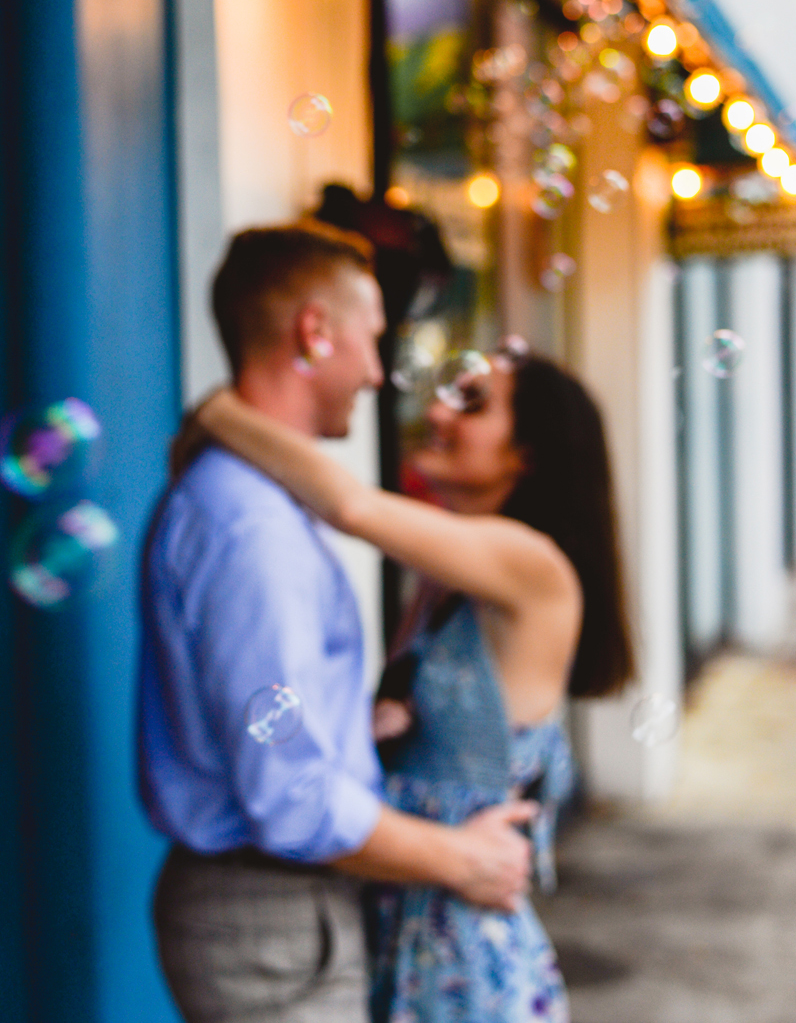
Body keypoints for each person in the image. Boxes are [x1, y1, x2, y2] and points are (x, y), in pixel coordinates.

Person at [140, 222, 538, 1023]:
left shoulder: (248, 502)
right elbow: (289, 799)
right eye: (371, 338)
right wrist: (463, 859)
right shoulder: (253, 528)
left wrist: (346, 727)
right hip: (272, 912)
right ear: (314, 333)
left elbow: (263, 728)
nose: (376, 372)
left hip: (279, 906)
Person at [192, 338, 635, 1023]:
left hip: (456, 958)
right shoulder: (450, 580)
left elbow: (352, 508)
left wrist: (218, 412)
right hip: (404, 922)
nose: (437, 411)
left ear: (527, 454)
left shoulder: (530, 561)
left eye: (471, 402)